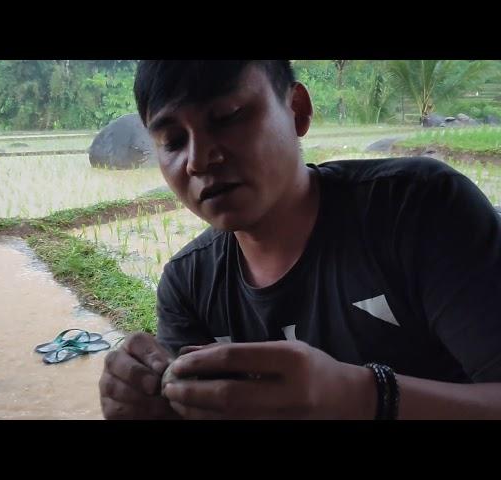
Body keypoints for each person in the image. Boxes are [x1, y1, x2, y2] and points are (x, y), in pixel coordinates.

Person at [98, 60, 501, 420]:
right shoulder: (187, 284)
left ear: (297, 110)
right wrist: (152, 407)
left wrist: (364, 397)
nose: (199, 160)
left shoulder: (418, 209)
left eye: (227, 117)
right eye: (172, 141)